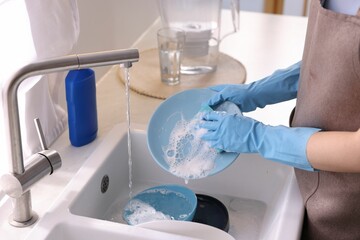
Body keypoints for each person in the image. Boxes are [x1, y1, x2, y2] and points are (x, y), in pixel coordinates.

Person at [199, 0, 360, 239]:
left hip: (349, 207)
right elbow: (343, 60)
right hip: (313, 185)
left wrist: (259, 137)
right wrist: (260, 91)